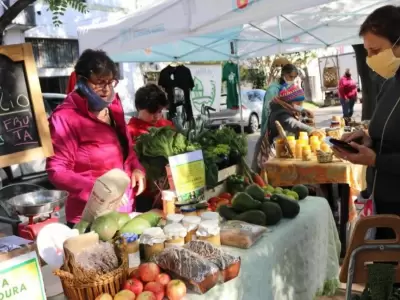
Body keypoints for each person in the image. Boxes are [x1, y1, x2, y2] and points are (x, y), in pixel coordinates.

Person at [46, 49, 146, 227]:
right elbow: (57, 171)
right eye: (99, 82)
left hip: (124, 209)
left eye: (110, 82)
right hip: (89, 217)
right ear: (82, 80)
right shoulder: (65, 117)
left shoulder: (114, 106)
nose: (106, 89)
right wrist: (99, 190)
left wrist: (137, 168)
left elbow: (126, 149)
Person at [333, 5, 400, 240]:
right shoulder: (390, 84)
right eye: (367, 52)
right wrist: (367, 139)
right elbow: (386, 136)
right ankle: (380, 279)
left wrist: (376, 159)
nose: (370, 59)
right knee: (378, 273)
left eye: (375, 51)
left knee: (396, 273)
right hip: (379, 205)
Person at [251, 64, 313, 171]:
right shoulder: (273, 90)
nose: (292, 80)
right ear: (284, 74)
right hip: (271, 127)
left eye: (294, 77)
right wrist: (284, 111)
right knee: (262, 165)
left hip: (281, 128)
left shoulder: (286, 87)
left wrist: (301, 110)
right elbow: (271, 108)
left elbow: (288, 103)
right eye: (290, 77)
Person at [127, 84, 173, 212]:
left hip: (170, 189)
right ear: (138, 107)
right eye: (151, 112)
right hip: (143, 193)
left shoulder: (167, 126)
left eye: (159, 111)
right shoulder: (129, 132)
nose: (156, 117)